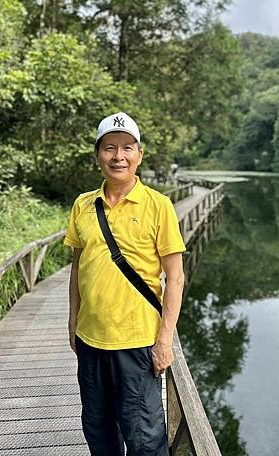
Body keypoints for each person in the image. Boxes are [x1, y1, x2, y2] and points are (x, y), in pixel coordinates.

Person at [63, 112, 186, 456]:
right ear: (98, 155)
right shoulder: (83, 205)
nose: (118, 156)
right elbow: (78, 268)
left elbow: (175, 277)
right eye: (110, 148)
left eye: (127, 148)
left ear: (139, 155)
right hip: (90, 341)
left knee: (144, 437)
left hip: (137, 343)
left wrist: (165, 341)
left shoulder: (158, 206)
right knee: (98, 431)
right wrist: (73, 320)